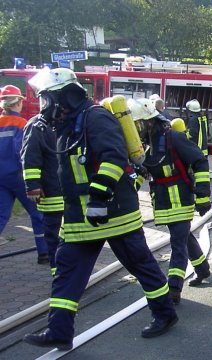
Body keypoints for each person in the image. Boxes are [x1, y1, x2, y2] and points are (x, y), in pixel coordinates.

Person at [23, 68, 177, 350]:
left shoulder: (96, 117)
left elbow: (114, 158)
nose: (44, 107)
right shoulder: (65, 126)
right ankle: (59, 331)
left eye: (46, 100)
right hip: (79, 217)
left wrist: (98, 196)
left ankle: (165, 314)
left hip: (114, 213)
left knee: (141, 265)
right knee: (67, 272)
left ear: (62, 98)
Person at [128, 98, 211, 304]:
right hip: (164, 201)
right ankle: (202, 269)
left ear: (148, 122)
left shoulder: (173, 137)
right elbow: (145, 170)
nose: (135, 129)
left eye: (137, 124)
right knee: (183, 237)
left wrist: (203, 196)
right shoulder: (148, 146)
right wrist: (130, 191)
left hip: (180, 198)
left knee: (177, 242)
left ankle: (174, 287)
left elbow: (200, 161)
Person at [0, 85, 48, 264]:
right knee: (37, 214)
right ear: (18, 102)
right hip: (18, 177)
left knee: (1, 215)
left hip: (1, 178)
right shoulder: (22, 124)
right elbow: (21, 152)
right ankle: (44, 252)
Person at [21, 113, 64, 276]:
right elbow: (30, 156)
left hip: (69, 191)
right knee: (53, 233)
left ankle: (67, 268)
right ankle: (57, 269)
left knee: (71, 234)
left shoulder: (68, 121)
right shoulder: (37, 125)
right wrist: (32, 185)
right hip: (52, 191)